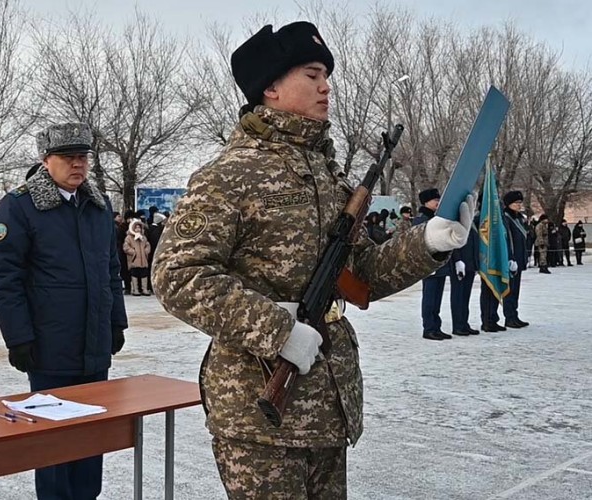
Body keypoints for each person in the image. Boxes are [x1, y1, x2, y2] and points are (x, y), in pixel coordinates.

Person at [151, 22, 471, 499]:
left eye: (327, 75)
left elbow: (359, 274)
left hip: (327, 403)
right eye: (312, 73)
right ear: (272, 88)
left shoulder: (327, 174)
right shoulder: (231, 174)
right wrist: (278, 331)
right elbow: (176, 274)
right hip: (259, 413)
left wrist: (428, 244)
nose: (326, 86)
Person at [0, 122, 128, 500]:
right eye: (68, 157)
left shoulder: (98, 206)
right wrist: (18, 337)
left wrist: (116, 321)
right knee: (53, 443)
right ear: (46, 160)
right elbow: (4, 277)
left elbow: (110, 269)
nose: (77, 165)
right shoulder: (20, 205)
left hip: (94, 343)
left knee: (90, 438)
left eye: (82, 157)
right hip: (49, 345)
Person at [413, 188, 451, 340]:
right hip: (429, 263)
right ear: (426, 202)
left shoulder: (437, 218)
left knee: (437, 298)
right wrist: (426, 262)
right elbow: (419, 244)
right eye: (435, 200)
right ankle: (428, 328)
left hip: (440, 263)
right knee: (429, 298)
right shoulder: (421, 219)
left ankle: (436, 326)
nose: (438, 203)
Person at [449, 212, 479, 336]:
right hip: (460, 264)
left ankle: (464, 323)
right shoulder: (456, 221)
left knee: (465, 296)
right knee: (458, 295)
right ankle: (458, 325)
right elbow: (453, 243)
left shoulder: (470, 222)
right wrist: (457, 260)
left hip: (470, 263)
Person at [501, 191, 529, 328]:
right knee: (510, 289)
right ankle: (509, 316)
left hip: (519, 258)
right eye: (516, 203)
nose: (519, 205)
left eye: (520, 203)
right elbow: (508, 240)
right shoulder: (506, 218)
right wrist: (510, 258)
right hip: (511, 259)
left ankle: (514, 314)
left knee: (516, 289)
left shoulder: (518, 218)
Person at [123, 218, 152, 296]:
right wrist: (133, 252)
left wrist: (146, 251)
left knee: (144, 274)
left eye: (139, 227)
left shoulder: (143, 237)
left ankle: (144, 289)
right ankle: (135, 289)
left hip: (143, 259)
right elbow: (126, 247)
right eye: (136, 227)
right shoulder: (129, 238)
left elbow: (147, 245)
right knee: (134, 274)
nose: (138, 229)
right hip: (134, 260)